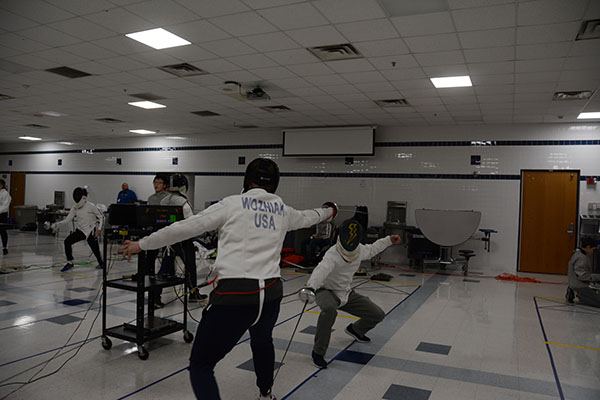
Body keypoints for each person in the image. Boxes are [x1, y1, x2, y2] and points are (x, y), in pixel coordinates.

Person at [119, 158, 337, 400]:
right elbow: (312, 216)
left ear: (246, 181)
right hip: (271, 296)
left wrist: (142, 244)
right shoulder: (283, 210)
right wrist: (331, 210)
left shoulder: (232, 204)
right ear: (275, 185)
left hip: (236, 297)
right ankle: (266, 395)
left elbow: (184, 228)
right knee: (262, 341)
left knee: (201, 365)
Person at [299, 219, 401, 369]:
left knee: (378, 314)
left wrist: (389, 240)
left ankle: (356, 330)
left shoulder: (359, 250)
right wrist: (311, 287)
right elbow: (321, 270)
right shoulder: (332, 254)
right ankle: (318, 353)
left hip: (345, 292)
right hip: (326, 290)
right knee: (329, 310)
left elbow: (373, 249)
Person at [153, 173, 206, 307]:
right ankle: (193, 293)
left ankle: (155, 298)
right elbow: (190, 224)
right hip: (183, 240)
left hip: (168, 239)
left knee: (164, 269)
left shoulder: (164, 200)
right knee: (190, 266)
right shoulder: (184, 202)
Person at [52, 187, 105, 272]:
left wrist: (99, 229)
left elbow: (101, 217)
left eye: (78, 195)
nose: (77, 197)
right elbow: (68, 219)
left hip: (91, 231)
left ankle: (101, 263)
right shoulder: (75, 207)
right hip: (81, 231)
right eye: (76, 195)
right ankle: (70, 262)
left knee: (95, 249)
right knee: (67, 241)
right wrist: (57, 224)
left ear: (83, 196)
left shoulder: (91, 206)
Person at [567, 236, 600, 307]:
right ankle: (576, 294)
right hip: (579, 286)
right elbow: (582, 276)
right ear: (588, 247)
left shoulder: (578, 254)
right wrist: (597, 277)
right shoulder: (581, 258)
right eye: (593, 249)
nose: (593, 252)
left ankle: (577, 293)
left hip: (578, 283)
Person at [0, 178, 11, 255]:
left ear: (2, 185)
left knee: (2, 231)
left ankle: (4, 248)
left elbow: (5, 206)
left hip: (2, 215)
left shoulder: (5, 194)